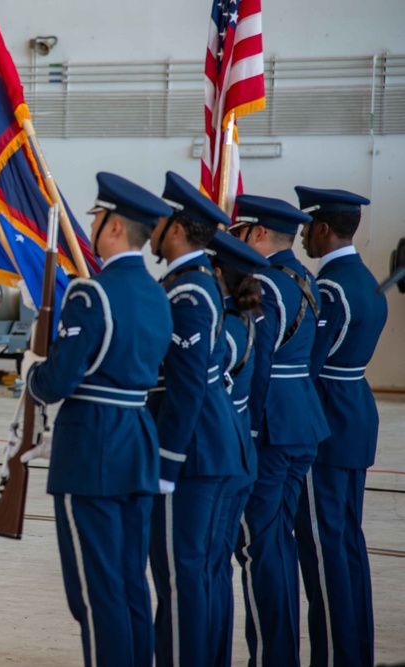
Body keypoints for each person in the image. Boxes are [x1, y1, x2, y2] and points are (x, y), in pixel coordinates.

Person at [23, 172, 173, 667]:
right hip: (137, 443)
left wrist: (33, 375)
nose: (91, 226)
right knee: (131, 582)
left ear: (113, 228)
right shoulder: (158, 294)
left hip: (91, 449)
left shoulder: (92, 294)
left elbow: (60, 379)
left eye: (96, 218)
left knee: (95, 592)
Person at [146, 172, 247, 666]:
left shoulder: (187, 293)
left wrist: (165, 467)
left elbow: (184, 389)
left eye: (162, 221)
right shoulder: (193, 284)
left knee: (181, 576)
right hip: (208, 446)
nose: (154, 228)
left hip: (192, 454)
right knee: (197, 574)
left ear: (179, 229)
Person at [229, 194, 329, 665]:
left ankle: (272, 657)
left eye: (245, 230)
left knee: (257, 548)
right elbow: (311, 357)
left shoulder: (266, 285)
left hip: (270, 429)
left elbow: (260, 364)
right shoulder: (304, 278)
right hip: (303, 422)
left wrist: (245, 432)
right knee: (278, 543)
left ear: (260, 235)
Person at [294, 186, 388, 667]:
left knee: (324, 546)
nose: (303, 237)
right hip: (354, 413)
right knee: (348, 542)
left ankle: (333, 657)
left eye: (307, 228)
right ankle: (356, 654)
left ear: (323, 229)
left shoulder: (330, 288)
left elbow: (307, 363)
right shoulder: (367, 281)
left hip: (325, 422)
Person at [206, 230, 268, 667]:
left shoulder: (224, 330)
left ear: (216, 276)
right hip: (240, 451)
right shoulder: (246, 321)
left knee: (205, 570)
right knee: (217, 570)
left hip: (217, 457)